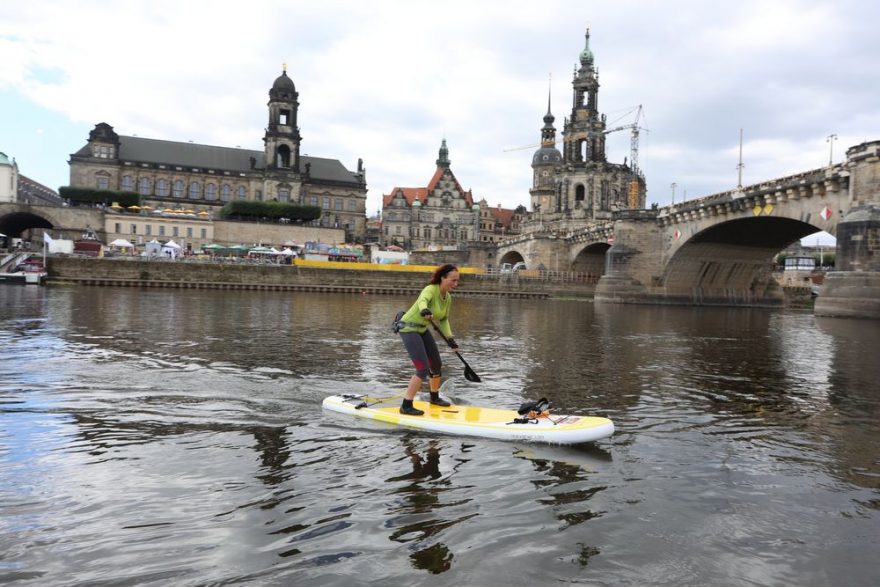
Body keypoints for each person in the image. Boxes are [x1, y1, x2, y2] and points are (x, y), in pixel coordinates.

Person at [395, 263, 460, 415]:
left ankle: (434, 397)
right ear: (443, 278)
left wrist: (450, 339)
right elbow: (422, 301)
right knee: (422, 368)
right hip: (409, 329)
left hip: (422, 329)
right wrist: (424, 309)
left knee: (436, 364)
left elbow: (443, 319)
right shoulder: (431, 289)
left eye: (457, 281)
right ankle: (406, 405)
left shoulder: (448, 298)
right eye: (453, 280)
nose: (456, 284)